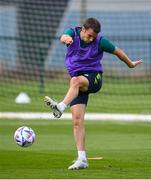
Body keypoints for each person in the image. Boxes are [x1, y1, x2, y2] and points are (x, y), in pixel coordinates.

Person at [44, 17, 143, 170]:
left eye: (94, 37)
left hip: (94, 78)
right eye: (89, 35)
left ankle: (61, 106)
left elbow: (118, 52)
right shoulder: (73, 33)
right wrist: (66, 39)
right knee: (77, 120)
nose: (91, 39)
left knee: (75, 81)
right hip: (78, 84)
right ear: (83, 29)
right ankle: (82, 159)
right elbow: (63, 36)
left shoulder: (100, 41)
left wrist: (130, 64)